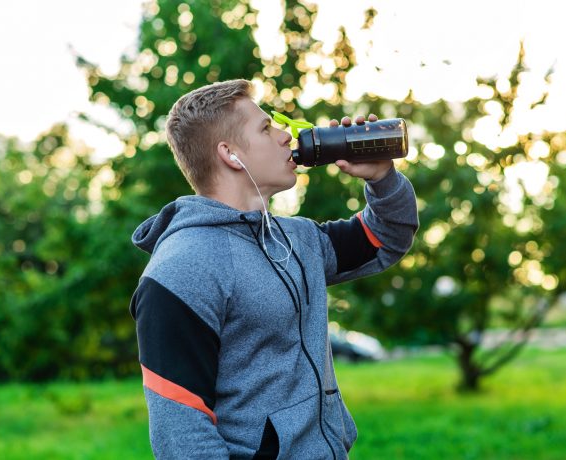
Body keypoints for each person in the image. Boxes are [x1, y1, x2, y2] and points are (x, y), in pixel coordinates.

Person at [129, 79, 418, 459]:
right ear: (231, 154)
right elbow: (181, 436)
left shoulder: (297, 239)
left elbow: (389, 236)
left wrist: (381, 178)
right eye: (266, 128)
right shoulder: (181, 269)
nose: (285, 136)